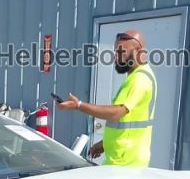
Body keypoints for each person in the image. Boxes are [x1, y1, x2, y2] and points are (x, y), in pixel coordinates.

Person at [57, 29, 156, 167]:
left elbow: (116, 113)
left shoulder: (139, 80)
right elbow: (128, 122)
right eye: (116, 52)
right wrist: (103, 144)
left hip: (124, 163)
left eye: (121, 52)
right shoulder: (140, 76)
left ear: (138, 50)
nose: (116, 56)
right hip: (125, 160)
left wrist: (79, 105)